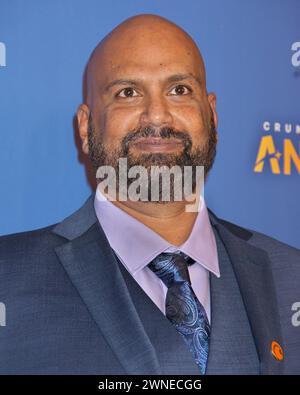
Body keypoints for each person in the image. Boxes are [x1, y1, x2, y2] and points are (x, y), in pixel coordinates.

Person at [0, 14, 299, 375]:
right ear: (85, 126)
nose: (157, 116)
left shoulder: (291, 275)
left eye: (179, 90)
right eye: (127, 93)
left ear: (212, 116)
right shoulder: (7, 278)